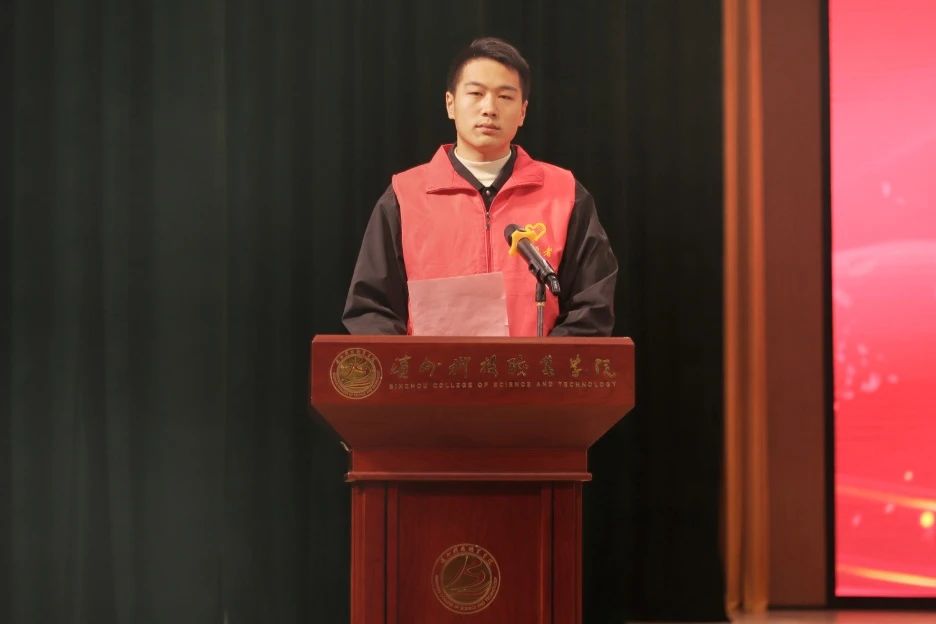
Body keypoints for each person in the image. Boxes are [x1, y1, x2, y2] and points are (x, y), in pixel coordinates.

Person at [342, 37, 617, 337]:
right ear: (450, 104)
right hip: (434, 369)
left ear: (523, 112)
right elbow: (371, 310)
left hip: (534, 369)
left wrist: (540, 363)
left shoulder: (564, 194)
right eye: (475, 93)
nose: (489, 108)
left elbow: (592, 307)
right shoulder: (405, 196)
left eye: (505, 97)